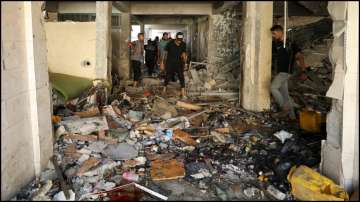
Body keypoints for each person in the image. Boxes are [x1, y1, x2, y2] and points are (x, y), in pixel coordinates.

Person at [270, 25, 307, 120]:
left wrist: (303, 71)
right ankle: (292, 117)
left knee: (273, 87)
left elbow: (300, 56)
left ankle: (284, 108)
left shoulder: (291, 44)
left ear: (280, 32)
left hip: (286, 72)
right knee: (285, 95)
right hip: (280, 72)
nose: (273, 36)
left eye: (274, 34)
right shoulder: (277, 44)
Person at [160, 32, 188, 98]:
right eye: (178, 40)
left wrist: (185, 62)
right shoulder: (170, 43)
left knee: (181, 76)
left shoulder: (183, 44)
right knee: (168, 76)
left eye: (180, 40)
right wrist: (162, 62)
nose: (179, 42)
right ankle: (164, 89)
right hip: (170, 63)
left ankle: (183, 92)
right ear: (176, 38)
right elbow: (164, 52)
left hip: (179, 63)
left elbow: (184, 53)